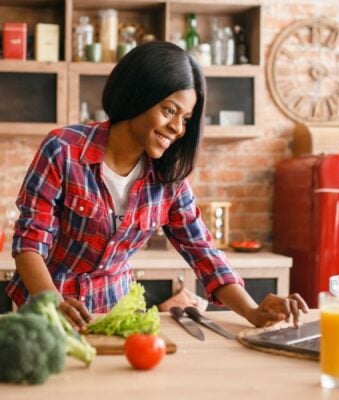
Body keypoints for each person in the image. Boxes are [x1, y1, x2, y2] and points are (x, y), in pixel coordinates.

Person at [6, 41, 308, 331]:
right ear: (138, 96)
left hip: (114, 314)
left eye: (186, 118)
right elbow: (29, 244)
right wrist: (52, 302)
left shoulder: (169, 179)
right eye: (169, 110)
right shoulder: (64, 149)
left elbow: (202, 252)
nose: (178, 128)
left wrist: (253, 312)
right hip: (42, 311)